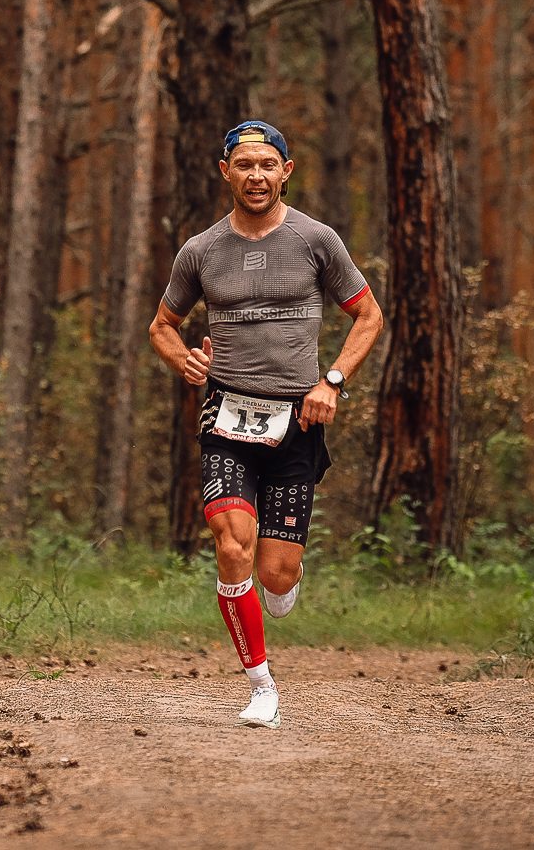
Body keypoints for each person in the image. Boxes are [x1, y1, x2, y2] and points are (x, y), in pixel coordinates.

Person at [149, 120, 383, 728]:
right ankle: (260, 684)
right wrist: (185, 360)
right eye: (244, 165)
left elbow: (368, 317)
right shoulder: (200, 251)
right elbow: (161, 326)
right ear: (224, 171)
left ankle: (280, 587)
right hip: (226, 416)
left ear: (287, 171)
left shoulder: (317, 240)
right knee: (233, 547)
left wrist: (331, 382)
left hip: (297, 422)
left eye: (267, 165)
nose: (256, 176)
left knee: (276, 577)